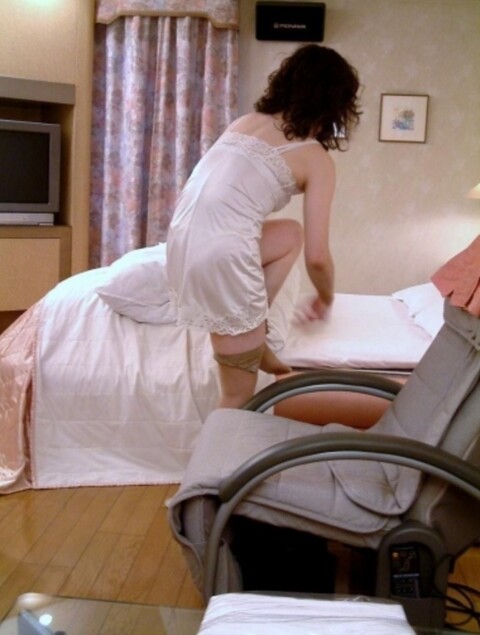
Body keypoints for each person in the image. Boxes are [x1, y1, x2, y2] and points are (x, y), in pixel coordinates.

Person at [167, 44, 361, 408]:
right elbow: (318, 258)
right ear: (337, 105)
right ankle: (215, 456)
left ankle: (258, 333)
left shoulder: (244, 123)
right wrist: (326, 296)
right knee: (237, 396)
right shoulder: (316, 159)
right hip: (221, 257)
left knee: (290, 234)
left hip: (180, 244)